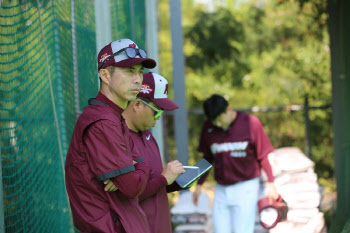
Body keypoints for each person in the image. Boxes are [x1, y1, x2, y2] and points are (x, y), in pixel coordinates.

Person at [65, 38, 157, 233]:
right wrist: (138, 169)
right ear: (105, 75)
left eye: (140, 72)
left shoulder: (114, 116)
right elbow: (132, 187)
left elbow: (135, 174)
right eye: (129, 71)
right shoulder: (103, 122)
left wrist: (135, 169)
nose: (138, 79)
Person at [104, 72, 186, 232]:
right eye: (157, 111)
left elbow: (151, 183)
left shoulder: (148, 135)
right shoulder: (116, 140)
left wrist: (170, 182)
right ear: (137, 105)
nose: (159, 117)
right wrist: (163, 180)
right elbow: (123, 199)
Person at [192, 94, 279, 233]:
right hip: (221, 188)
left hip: (246, 186)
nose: (218, 124)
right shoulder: (209, 127)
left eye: (220, 119)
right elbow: (208, 158)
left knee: (243, 230)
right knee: (220, 229)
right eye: (214, 121)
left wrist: (272, 184)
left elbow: (263, 156)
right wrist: (199, 185)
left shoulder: (251, 123)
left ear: (228, 109)